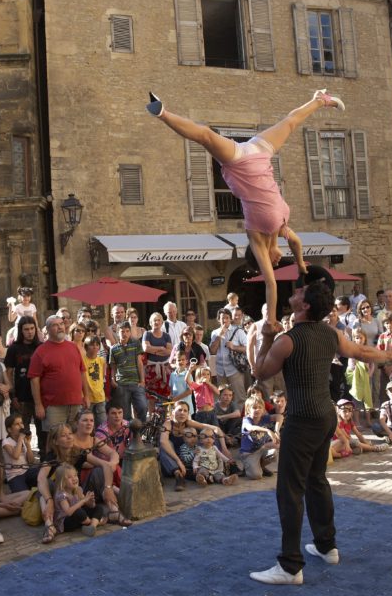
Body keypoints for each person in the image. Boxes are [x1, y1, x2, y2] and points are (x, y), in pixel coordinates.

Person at [249, 275, 392, 585]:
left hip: (302, 419)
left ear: (304, 305)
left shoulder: (287, 339)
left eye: (299, 291)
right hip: (325, 415)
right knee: (317, 480)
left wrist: (266, 337)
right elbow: (362, 353)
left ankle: (290, 566)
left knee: (290, 491)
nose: (294, 292)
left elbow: (259, 373)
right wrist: (391, 355)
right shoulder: (331, 334)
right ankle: (327, 546)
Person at [147, 91, 345, 330]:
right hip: (260, 153)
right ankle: (319, 99)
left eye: (274, 262)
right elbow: (296, 243)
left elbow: (271, 285)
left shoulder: (256, 236)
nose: (278, 259)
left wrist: (270, 321)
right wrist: (301, 265)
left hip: (239, 160)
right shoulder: (282, 229)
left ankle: (162, 112)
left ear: (266, 260)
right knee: (290, 123)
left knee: (207, 136)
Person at [28, 315, 89, 440]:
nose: (60, 327)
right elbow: (34, 380)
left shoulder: (73, 347)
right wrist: (38, 405)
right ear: (48, 329)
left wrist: (86, 396)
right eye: (55, 325)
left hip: (76, 403)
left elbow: (82, 372)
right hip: (53, 406)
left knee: (74, 439)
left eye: (61, 324)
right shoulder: (40, 351)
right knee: (54, 440)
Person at [159, 400, 226, 492]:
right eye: (179, 410)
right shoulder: (168, 424)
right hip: (173, 458)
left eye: (185, 411)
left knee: (208, 437)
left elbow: (215, 429)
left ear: (188, 414)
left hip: (189, 455)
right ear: (173, 412)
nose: (182, 413)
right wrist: (179, 462)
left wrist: (225, 449)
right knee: (164, 446)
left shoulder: (188, 422)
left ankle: (219, 465)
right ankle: (179, 476)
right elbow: (163, 442)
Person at [4, 316, 44, 452]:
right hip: (21, 397)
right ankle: (23, 462)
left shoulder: (41, 347)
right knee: (21, 432)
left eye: (32, 328)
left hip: (40, 397)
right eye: (26, 329)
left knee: (43, 432)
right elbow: (8, 373)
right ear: (21, 331)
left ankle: (43, 459)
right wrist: (12, 395)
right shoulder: (13, 348)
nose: (30, 332)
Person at [53, 463, 106, 537]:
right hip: (65, 522)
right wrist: (83, 501)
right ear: (62, 482)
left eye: (75, 475)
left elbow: (91, 506)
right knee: (79, 512)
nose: (74, 478)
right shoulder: (61, 495)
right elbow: (68, 512)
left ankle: (92, 526)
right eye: (69, 477)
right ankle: (96, 522)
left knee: (98, 508)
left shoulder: (78, 489)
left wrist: (90, 500)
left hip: (79, 519)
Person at [109, 321, 146, 422]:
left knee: (143, 407)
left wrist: (142, 380)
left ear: (130, 332)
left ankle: (139, 431)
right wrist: (113, 380)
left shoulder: (136, 344)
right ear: (117, 333)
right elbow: (113, 366)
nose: (124, 333)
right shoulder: (113, 349)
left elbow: (140, 363)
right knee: (125, 414)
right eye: (122, 331)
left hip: (136, 382)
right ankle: (128, 435)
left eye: (127, 331)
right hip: (121, 384)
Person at [210, 308, 247, 406]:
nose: (224, 320)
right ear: (218, 319)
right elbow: (212, 350)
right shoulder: (214, 333)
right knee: (222, 397)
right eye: (222, 318)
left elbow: (247, 348)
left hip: (234, 369)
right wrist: (219, 335)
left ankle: (240, 419)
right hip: (220, 370)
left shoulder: (238, 331)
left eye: (227, 318)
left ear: (231, 319)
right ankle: (225, 418)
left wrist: (234, 347)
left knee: (240, 397)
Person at [247, 304, 285, 398]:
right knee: (266, 395)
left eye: (271, 309)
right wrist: (252, 366)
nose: (268, 312)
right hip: (263, 366)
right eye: (266, 309)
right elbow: (249, 348)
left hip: (278, 366)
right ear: (262, 311)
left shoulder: (279, 325)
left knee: (281, 393)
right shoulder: (255, 326)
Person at [240, 396, 280, 479]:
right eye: (254, 408)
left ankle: (260, 466)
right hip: (249, 453)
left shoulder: (264, 418)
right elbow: (250, 428)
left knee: (273, 452)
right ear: (248, 410)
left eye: (260, 407)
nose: (257, 409)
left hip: (260, 449)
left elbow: (279, 417)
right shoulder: (246, 420)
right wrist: (268, 431)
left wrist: (276, 431)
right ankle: (249, 467)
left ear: (263, 410)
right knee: (256, 476)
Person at [142, 312, 172, 411]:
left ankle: (164, 416)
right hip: (151, 369)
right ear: (151, 322)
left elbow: (169, 351)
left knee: (165, 394)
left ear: (162, 322)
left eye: (159, 320)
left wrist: (154, 350)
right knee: (151, 396)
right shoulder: (147, 334)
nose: (157, 322)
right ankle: (151, 416)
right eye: (154, 320)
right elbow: (146, 348)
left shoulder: (166, 336)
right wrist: (160, 348)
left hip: (165, 368)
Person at [1, 414, 35, 492]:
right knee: (25, 494)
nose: (21, 426)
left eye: (21, 423)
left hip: (27, 472)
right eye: (17, 424)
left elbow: (31, 461)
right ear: (9, 429)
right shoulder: (6, 442)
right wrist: (20, 439)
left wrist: (28, 444)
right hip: (14, 476)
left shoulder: (23, 440)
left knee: (43, 475)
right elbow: (15, 456)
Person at [83, 335, 107, 428]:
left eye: (97, 345)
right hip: (87, 398)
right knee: (88, 425)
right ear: (86, 346)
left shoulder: (101, 360)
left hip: (100, 397)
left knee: (102, 425)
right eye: (92, 345)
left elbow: (102, 377)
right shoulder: (82, 360)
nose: (95, 347)